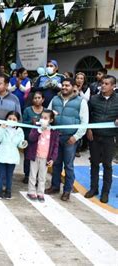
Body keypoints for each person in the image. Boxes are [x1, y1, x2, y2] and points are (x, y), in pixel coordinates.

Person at [46, 78, 89, 201]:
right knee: (56, 163)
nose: (64, 87)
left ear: (73, 86)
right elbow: (48, 115)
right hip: (55, 137)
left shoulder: (81, 102)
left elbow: (84, 122)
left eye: (67, 85)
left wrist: (75, 137)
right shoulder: (55, 99)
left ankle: (67, 190)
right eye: (63, 85)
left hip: (70, 138)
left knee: (68, 166)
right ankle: (54, 186)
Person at [86, 75, 118, 203]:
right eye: (102, 83)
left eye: (106, 83)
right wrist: (88, 129)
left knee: (107, 165)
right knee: (94, 163)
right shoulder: (93, 99)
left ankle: (105, 192)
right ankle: (94, 189)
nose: (103, 85)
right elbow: (87, 115)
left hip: (110, 137)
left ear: (113, 86)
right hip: (95, 136)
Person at [26, 110, 60, 202]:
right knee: (33, 175)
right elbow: (31, 138)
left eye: (45, 118)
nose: (43, 119)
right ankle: (31, 191)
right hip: (35, 155)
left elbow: (56, 146)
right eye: (42, 117)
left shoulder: (54, 131)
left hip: (46, 157)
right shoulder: (36, 128)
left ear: (51, 120)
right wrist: (39, 130)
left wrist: (53, 158)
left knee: (42, 177)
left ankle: (40, 193)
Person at [0, 111, 28, 199]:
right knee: (1, 174)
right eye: (9, 118)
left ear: (17, 121)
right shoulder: (2, 128)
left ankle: (8, 191)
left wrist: (24, 143)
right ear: (6, 119)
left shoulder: (20, 130)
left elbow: (20, 144)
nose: (11, 120)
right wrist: (1, 128)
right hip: (2, 154)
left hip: (12, 155)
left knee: (9, 174)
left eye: (14, 119)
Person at [22, 91, 45, 184]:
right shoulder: (27, 110)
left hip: (42, 139)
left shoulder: (46, 111)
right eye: (35, 98)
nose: (37, 99)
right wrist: (31, 122)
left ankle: (37, 176)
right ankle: (27, 175)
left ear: (43, 99)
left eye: (39, 98)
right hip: (29, 137)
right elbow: (22, 123)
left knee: (40, 157)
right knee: (28, 156)